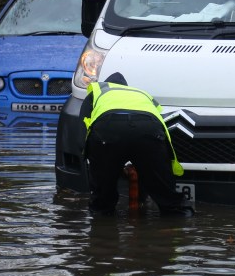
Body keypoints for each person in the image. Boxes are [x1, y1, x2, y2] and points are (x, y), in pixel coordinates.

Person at [82, 72, 193, 217]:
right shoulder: (142, 94)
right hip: (149, 128)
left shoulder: (98, 91)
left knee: (102, 197)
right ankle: (181, 224)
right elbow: (157, 123)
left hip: (108, 128)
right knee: (165, 191)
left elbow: (84, 126)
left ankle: (102, 229)